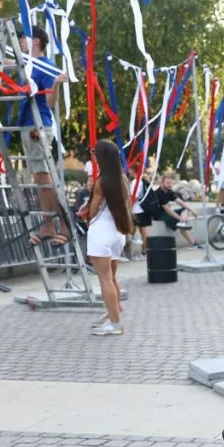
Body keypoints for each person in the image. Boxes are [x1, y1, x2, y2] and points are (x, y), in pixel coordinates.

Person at [19, 27, 70, 247]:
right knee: (41, 180)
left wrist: (56, 85)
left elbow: (50, 103)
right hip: (29, 126)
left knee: (44, 179)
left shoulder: (44, 65)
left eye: (24, 38)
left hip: (38, 127)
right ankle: (48, 224)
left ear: (36, 41)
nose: (20, 41)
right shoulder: (28, 64)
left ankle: (64, 223)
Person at [85, 141, 134, 336]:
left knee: (104, 280)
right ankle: (112, 312)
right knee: (112, 277)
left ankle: (115, 323)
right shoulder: (123, 179)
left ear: (101, 157)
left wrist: (85, 212)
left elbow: (93, 211)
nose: (93, 155)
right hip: (117, 233)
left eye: (94, 152)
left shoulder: (101, 181)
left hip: (101, 233)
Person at [152, 171, 199, 247]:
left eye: (171, 183)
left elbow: (180, 202)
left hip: (166, 213)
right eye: (168, 183)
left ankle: (183, 226)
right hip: (159, 215)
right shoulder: (159, 193)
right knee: (181, 223)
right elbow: (168, 210)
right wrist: (180, 218)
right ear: (162, 182)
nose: (170, 185)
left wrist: (192, 210)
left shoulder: (169, 191)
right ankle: (192, 243)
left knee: (186, 209)